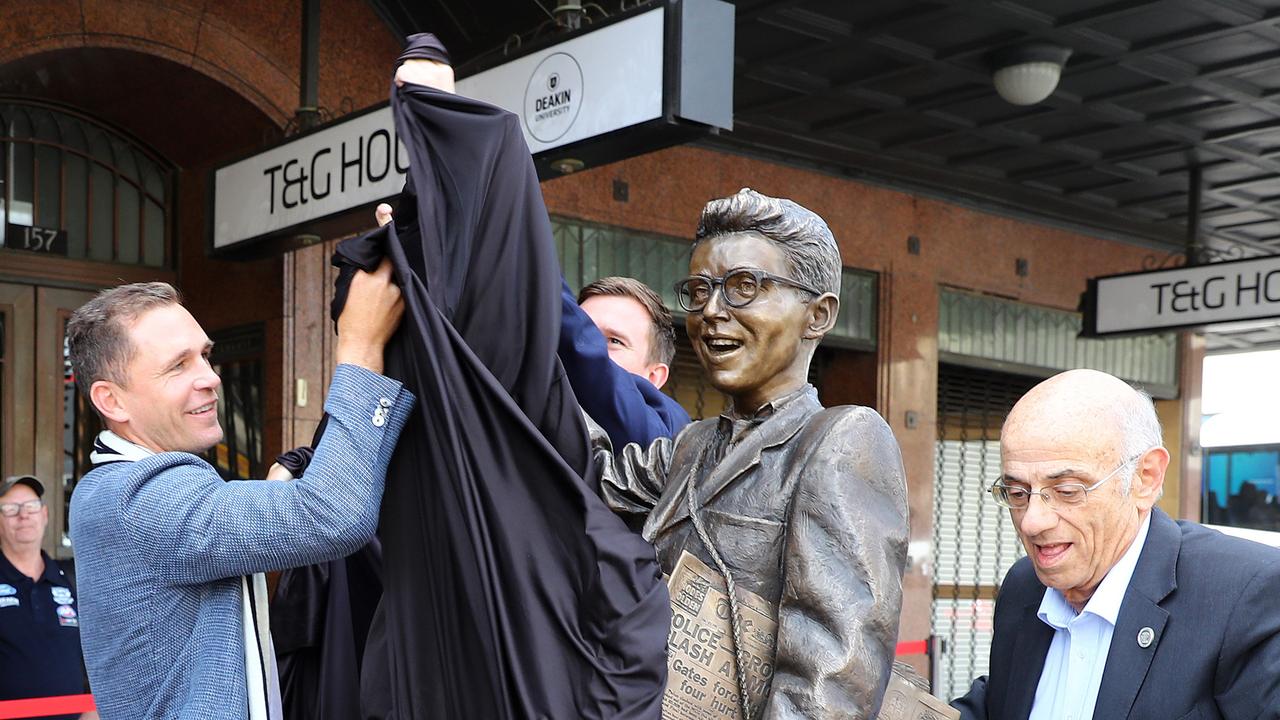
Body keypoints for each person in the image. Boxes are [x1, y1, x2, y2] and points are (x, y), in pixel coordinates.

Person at [601, 188, 910, 719]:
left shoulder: (843, 440)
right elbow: (581, 470)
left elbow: (829, 682)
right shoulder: (689, 447)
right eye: (699, 291)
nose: (712, 312)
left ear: (818, 314)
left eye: (745, 287)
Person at [66, 268, 411, 720]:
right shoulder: (136, 497)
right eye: (178, 365)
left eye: (205, 356)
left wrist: (271, 502)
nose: (209, 377)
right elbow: (333, 514)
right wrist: (360, 347)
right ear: (111, 401)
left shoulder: (117, 489)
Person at [951, 369, 1280, 719]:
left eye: (1067, 491)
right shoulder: (1024, 586)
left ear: (1146, 477)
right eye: (1017, 492)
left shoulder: (1243, 594)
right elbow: (1000, 706)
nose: (1032, 521)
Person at [0, 475, 96, 720]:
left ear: (44, 515)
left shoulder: (71, 579)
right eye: (11, 509)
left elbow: (98, 654)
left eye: (31, 507)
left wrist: (93, 711)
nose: (24, 516)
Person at [558, 276, 690, 448]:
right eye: (589, 333)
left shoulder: (667, 434)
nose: (593, 348)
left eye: (614, 341)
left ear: (654, 377)